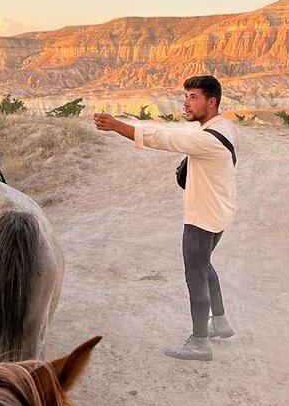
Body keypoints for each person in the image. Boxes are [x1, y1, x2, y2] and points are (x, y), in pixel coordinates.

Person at [93, 75, 239, 361]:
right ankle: (219, 322)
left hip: (202, 218)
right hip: (221, 212)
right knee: (205, 264)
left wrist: (116, 126)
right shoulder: (227, 127)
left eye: (193, 97)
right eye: (186, 96)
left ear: (212, 102)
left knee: (195, 275)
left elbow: (163, 138)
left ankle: (200, 343)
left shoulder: (205, 139)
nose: (186, 103)